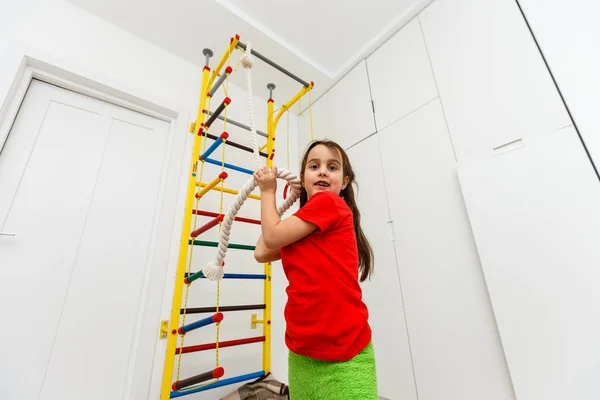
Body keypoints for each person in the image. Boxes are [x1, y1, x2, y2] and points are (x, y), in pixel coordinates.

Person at [253, 139, 378, 400]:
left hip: (343, 350)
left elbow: (271, 238)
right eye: (314, 166)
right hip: (303, 349)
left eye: (332, 167)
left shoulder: (329, 205)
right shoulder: (304, 227)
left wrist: (267, 192)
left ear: (344, 182)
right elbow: (262, 251)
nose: (322, 171)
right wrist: (284, 206)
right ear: (302, 178)